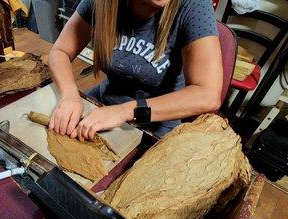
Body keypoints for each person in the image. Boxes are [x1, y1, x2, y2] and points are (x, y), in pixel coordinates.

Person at [47, 0, 223, 140]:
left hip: (155, 124)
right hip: (102, 105)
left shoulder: (194, 4)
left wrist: (125, 111)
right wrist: (70, 94)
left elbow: (207, 95)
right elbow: (60, 51)